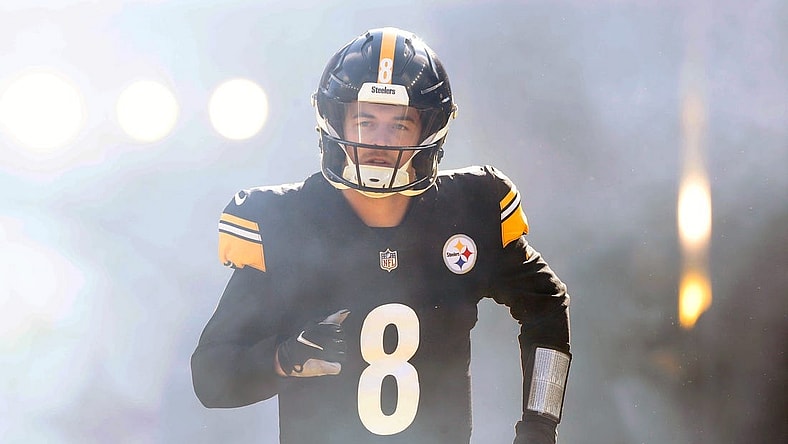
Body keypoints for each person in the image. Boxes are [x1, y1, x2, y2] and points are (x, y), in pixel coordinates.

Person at [191, 27, 571, 444]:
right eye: (365, 120)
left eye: (399, 125)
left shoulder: (472, 210)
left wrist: (539, 424)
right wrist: (283, 359)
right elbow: (210, 377)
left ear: (429, 131)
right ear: (334, 120)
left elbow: (546, 306)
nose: (379, 141)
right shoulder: (283, 221)